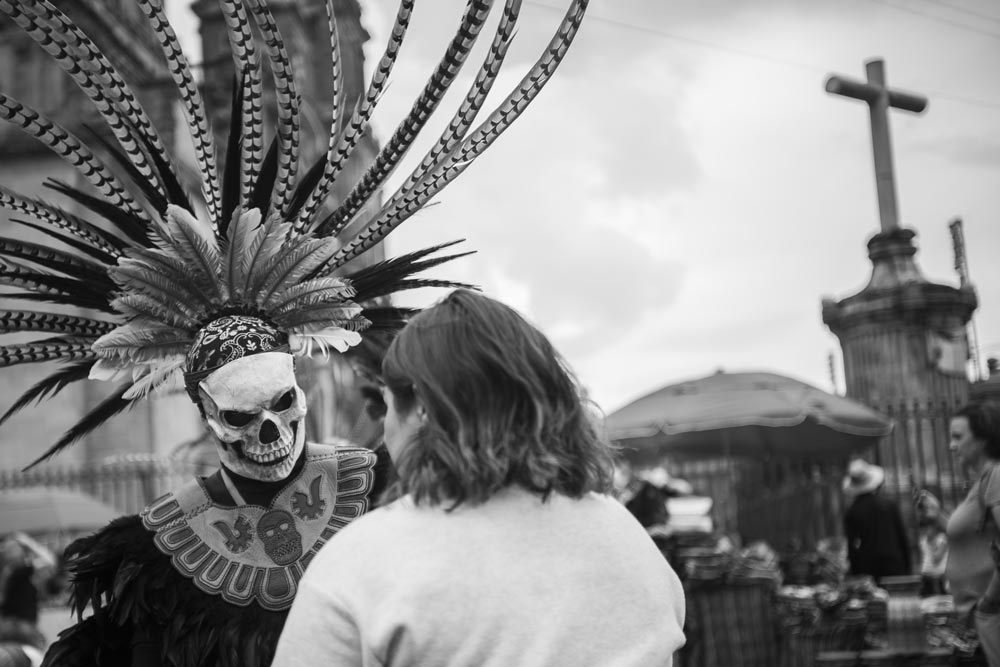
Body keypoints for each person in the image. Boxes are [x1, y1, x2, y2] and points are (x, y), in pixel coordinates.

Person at [0, 1, 592, 665]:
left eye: (283, 402)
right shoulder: (152, 555)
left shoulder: (401, 490)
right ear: (204, 413)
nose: (272, 433)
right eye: (241, 414)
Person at [272, 289, 687, 667]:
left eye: (385, 406)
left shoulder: (362, 565)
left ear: (419, 408)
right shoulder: (629, 539)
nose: (383, 432)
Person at [918, 401, 1000, 666]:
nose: (952, 446)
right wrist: (939, 516)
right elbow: (974, 536)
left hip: (990, 616)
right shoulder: (983, 481)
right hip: (976, 619)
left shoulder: (995, 476)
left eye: (958, 437)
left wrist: (989, 603)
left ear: (984, 438)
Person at [842, 459, 912, 579]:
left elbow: (852, 547)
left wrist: (856, 573)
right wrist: (907, 566)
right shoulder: (889, 505)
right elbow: (902, 538)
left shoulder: (853, 512)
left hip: (868, 569)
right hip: (894, 565)